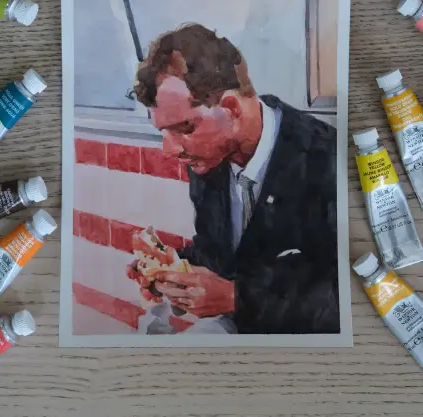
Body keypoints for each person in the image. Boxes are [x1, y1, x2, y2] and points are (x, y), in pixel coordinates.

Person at [126, 23, 339, 334]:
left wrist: (236, 298)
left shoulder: (326, 157)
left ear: (233, 109)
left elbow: (344, 292)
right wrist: (173, 267)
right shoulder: (208, 159)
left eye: (184, 128)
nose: (170, 150)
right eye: (164, 132)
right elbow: (222, 254)